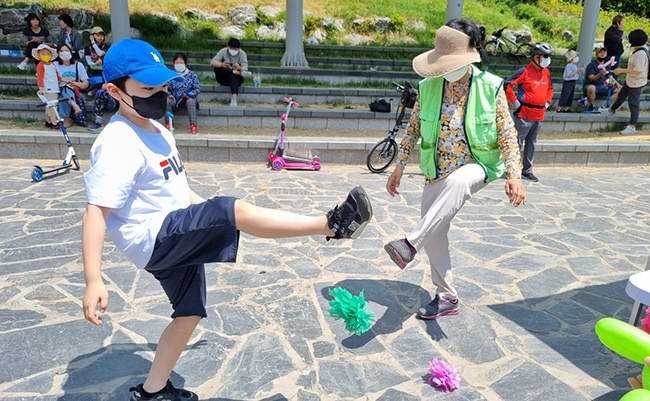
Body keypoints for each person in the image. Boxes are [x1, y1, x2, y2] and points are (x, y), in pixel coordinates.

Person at [81, 39, 373, 401]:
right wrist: (94, 279)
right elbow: (96, 211)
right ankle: (331, 225)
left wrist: (212, 216)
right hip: (152, 239)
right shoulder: (116, 142)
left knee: (189, 312)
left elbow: (178, 189)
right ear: (114, 90)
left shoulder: (158, 130)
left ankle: (152, 391)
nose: (158, 94)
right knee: (229, 208)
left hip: (173, 231)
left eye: (161, 86)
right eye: (146, 88)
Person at [382, 19, 526, 321]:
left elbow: (507, 134)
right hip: (437, 170)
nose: (447, 68)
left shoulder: (491, 87)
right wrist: (399, 166)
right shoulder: (429, 86)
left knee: (460, 181)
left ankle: (409, 244)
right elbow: (414, 128)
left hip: (477, 165)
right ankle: (447, 296)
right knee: (434, 232)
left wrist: (514, 175)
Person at [504, 42, 554, 183]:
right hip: (524, 113)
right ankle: (512, 169)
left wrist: (547, 102)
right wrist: (515, 103)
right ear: (536, 57)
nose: (547, 59)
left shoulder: (546, 72)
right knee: (517, 143)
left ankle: (527, 170)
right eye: (545, 56)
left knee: (532, 143)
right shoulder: (524, 71)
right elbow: (508, 84)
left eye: (548, 56)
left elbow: (550, 88)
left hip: (539, 114)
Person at [599, 29, 649, 136]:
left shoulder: (640, 54)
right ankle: (610, 110)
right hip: (632, 80)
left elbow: (638, 70)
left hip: (636, 81)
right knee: (621, 95)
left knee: (633, 103)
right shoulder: (642, 49)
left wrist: (621, 70)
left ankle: (632, 126)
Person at [54, 43, 88, 127]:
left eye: (66, 50)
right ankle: (74, 105)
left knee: (65, 92)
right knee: (63, 88)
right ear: (58, 53)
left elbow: (85, 84)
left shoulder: (78, 65)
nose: (64, 52)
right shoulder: (54, 65)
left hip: (76, 93)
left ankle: (66, 118)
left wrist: (72, 83)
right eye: (61, 51)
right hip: (59, 91)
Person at [165, 52, 201, 134]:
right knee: (167, 101)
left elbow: (197, 88)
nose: (179, 64)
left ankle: (193, 125)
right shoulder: (171, 75)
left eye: (181, 63)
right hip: (175, 98)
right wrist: (169, 94)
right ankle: (169, 123)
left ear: (185, 63)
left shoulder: (192, 75)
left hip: (188, 97)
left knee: (191, 101)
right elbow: (167, 87)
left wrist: (191, 94)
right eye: (177, 63)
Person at [211, 38, 248, 107]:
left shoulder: (242, 54)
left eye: (235, 49)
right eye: (231, 48)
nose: (233, 50)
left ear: (239, 48)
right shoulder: (223, 51)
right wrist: (222, 65)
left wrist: (239, 68)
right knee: (219, 68)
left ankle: (234, 98)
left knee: (233, 75)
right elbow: (213, 63)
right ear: (228, 46)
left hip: (236, 78)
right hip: (223, 78)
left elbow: (245, 67)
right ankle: (232, 71)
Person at [583, 47, 621, 111]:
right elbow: (591, 78)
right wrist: (600, 74)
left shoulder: (607, 65)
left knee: (619, 90)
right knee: (591, 88)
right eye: (600, 52)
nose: (602, 54)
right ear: (596, 54)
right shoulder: (591, 65)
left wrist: (618, 84)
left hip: (603, 84)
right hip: (592, 84)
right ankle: (591, 105)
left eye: (604, 52)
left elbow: (609, 77)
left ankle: (605, 106)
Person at [34, 44, 61, 129]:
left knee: (49, 106)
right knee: (52, 106)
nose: (46, 55)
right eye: (43, 53)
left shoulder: (52, 64)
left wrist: (64, 80)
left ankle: (48, 121)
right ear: (39, 55)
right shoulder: (41, 65)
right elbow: (40, 77)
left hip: (54, 87)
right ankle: (54, 122)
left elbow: (57, 76)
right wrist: (41, 88)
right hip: (48, 89)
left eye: (47, 53)